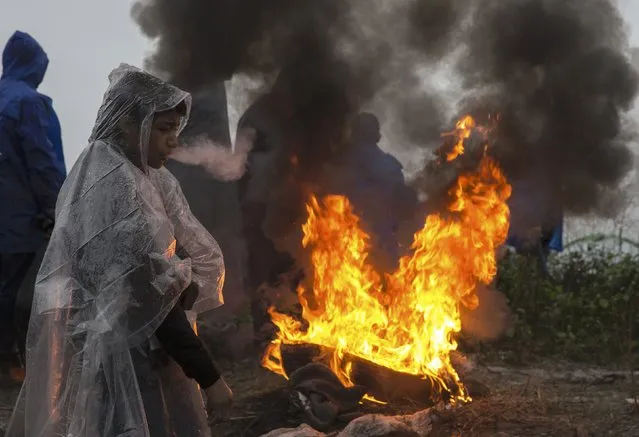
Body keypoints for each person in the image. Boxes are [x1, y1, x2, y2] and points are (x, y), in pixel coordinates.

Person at [6, 64, 232, 437]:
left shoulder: (128, 174)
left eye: (175, 130)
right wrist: (210, 378)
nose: (173, 141)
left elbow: (155, 281)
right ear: (129, 124)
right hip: (128, 364)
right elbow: (149, 297)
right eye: (163, 130)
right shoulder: (117, 192)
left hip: (130, 355)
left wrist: (182, 284)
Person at [0, 30, 66, 382]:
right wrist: (59, 210)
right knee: (26, 294)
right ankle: (21, 367)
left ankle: (7, 362)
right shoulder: (28, 103)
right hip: (22, 220)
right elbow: (43, 162)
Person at [330, 112, 418, 270]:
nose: (367, 133)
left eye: (369, 128)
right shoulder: (341, 162)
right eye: (364, 129)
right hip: (351, 232)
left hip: (380, 231)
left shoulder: (386, 163)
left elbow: (401, 199)